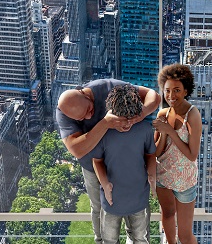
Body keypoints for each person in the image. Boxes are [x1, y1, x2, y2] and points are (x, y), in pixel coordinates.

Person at [56, 79, 160, 244]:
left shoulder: (108, 87)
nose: (89, 116)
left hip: (126, 163)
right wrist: (105, 124)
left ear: (85, 94)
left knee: (133, 209)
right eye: (82, 118)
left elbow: (153, 96)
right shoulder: (64, 112)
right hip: (92, 166)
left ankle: (132, 239)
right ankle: (101, 241)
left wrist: (140, 115)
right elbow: (76, 149)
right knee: (99, 208)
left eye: (89, 110)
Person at [93, 84, 156, 244]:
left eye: (131, 119)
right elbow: (97, 160)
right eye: (122, 120)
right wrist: (105, 184)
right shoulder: (103, 131)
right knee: (109, 240)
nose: (127, 124)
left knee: (141, 240)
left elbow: (150, 154)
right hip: (111, 201)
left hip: (139, 199)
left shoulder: (145, 129)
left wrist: (152, 176)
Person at [153, 64, 201, 244]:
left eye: (177, 90)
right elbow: (156, 152)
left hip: (185, 180)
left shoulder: (193, 115)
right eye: (167, 91)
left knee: (185, 236)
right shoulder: (163, 113)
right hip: (163, 176)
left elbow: (192, 155)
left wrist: (171, 131)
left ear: (186, 90)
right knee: (167, 217)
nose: (171, 96)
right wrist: (164, 133)